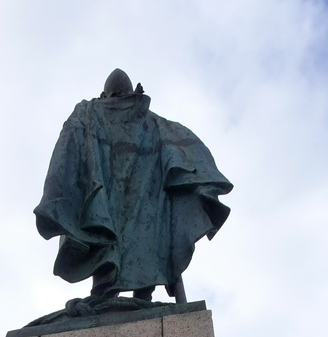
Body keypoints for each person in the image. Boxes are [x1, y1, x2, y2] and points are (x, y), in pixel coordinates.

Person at [34, 69, 233, 302]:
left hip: (127, 201)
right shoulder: (101, 116)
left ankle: (123, 295)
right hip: (116, 201)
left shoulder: (105, 116)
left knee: (121, 239)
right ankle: (121, 295)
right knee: (114, 240)